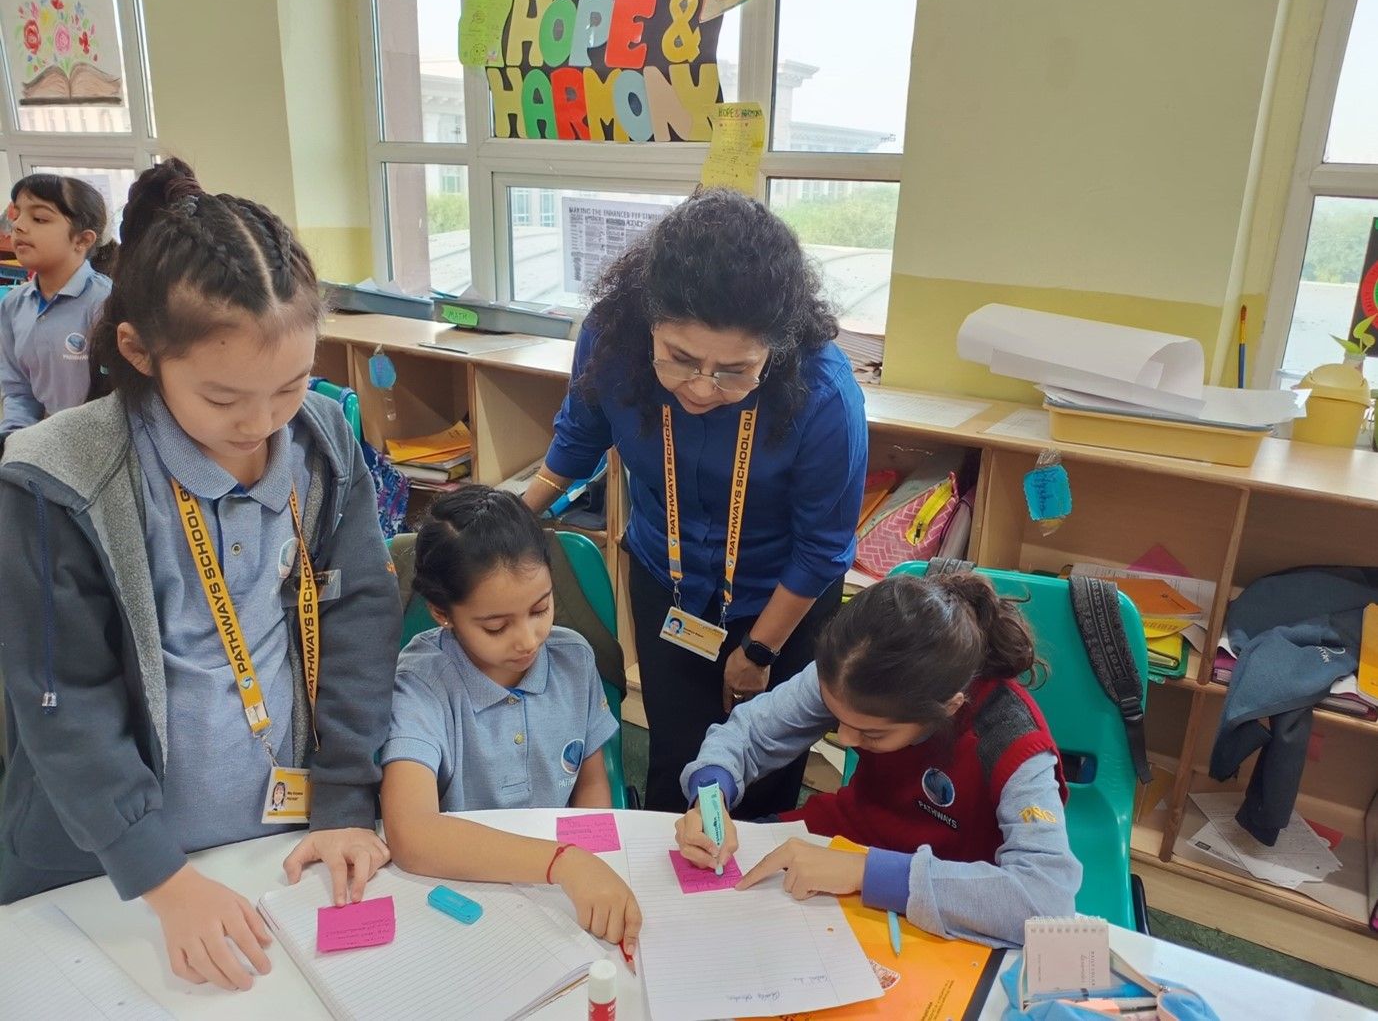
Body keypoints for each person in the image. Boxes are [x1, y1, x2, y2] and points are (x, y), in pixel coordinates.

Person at [0, 158, 400, 991]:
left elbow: (358, 616)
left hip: (280, 845)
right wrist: (163, 880)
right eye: (223, 399)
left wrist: (344, 798)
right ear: (139, 352)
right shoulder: (56, 477)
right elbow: (64, 700)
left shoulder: (322, 440)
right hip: (111, 870)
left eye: (290, 385)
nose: (261, 423)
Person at [522, 189, 867, 817]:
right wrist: (518, 516)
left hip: (782, 599)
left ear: (775, 347)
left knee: (762, 778)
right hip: (670, 583)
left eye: (735, 370)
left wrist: (759, 652)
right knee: (676, 761)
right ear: (649, 320)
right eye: (680, 360)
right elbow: (580, 435)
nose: (703, 388)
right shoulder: (611, 336)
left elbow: (822, 547)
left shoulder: (824, 392)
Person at [673, 573, 1082, 948]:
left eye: (871, 734)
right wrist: (711, 795)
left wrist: (863, 871)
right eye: (837, 718)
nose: (845, 739)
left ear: (949, 707)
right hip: (844, 838)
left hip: (943, 889)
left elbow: (1046, 902)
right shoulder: (849, 674)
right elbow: (748, 733)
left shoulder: (1012, 742)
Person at [380, 485, 641, 953]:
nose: (528, 640)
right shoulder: (422, 682)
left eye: (541, 609)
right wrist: (563, 862)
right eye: (496, 627)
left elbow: (592, 784)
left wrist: (592, 861)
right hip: (463, 889)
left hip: (559, 894)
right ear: (442, 613)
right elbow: (411, 833)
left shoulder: (573, 658)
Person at [0, 173, 115, 441]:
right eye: (18, 214)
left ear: (82, 240)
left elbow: (120, 400)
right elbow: (19, 391)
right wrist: (13, 441)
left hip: (99, 444)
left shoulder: (106, 303)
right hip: (44, 444)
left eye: (39, 218)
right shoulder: (14, 305)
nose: (18, 226)